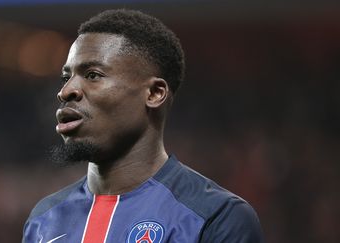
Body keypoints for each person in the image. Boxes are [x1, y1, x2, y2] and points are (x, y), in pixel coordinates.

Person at [22, 9, 264, 243]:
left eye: (93, 75)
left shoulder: (216, 217)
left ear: (154, 93)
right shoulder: (44, 220)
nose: (66, 91)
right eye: (66, 77)